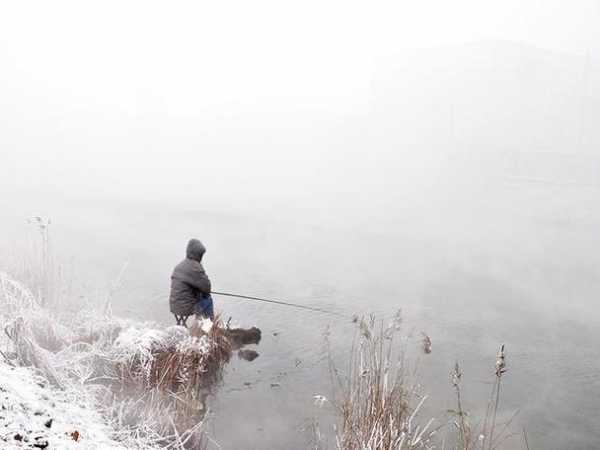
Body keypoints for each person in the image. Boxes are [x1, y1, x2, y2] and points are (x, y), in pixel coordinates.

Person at [169, 239, 215, 325]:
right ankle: (208, 328)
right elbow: (207, 288)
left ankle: (196, 327)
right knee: (207, 299)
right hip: (185, 307)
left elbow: (185, 285)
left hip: (174, 305)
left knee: (201, 296)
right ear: (198, 254)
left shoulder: (179, 265)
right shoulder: (196, 267)